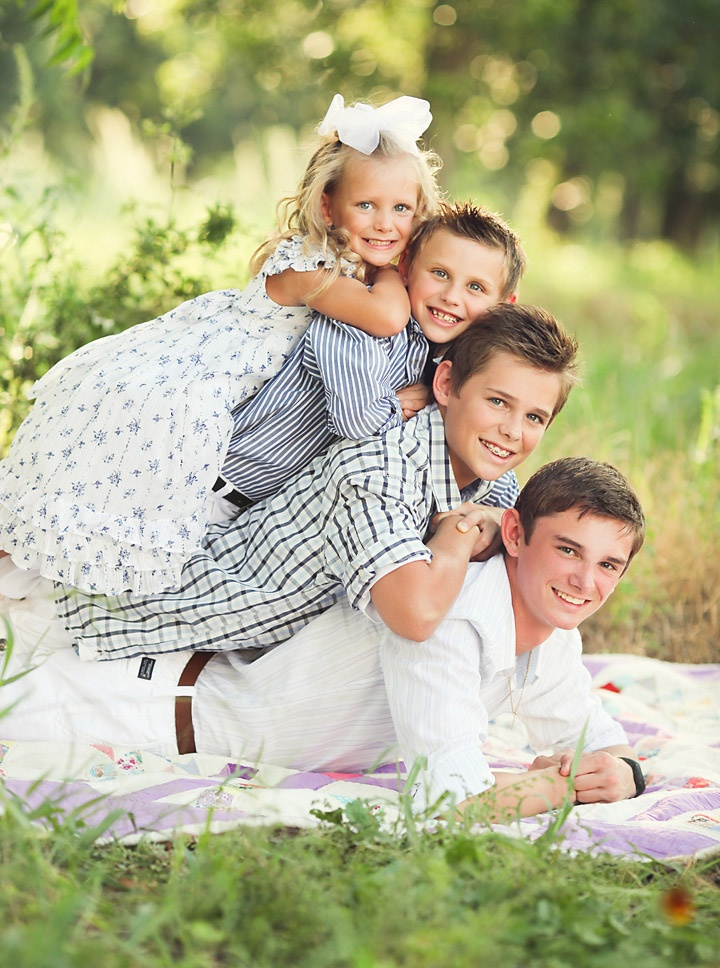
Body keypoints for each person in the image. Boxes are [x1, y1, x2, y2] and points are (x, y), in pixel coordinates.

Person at [0, 457, 647, 821]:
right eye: (568, 550)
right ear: (514, 535)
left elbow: (599, 742)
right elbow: (451, 806)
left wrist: (623, 773)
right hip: (135, 707)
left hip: (169, 695)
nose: (584, 582)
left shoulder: (549, 634)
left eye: (608, 565)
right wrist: (559, 788)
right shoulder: (446, 618)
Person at [0, 94, 440, 598]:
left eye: (401, 209)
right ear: (327, 205)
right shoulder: (310, 266)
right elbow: (387, 317)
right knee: (82, 511)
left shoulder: (347, 267)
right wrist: (395, 267)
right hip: (186, 393)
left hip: (219, 396)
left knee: (72, 533)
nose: (385, 223)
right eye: (366, 205)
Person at [52, 301, 580, 661]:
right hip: (107, 624)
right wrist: (463, 531)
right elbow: (416, 616)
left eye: (534, 417)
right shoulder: (379, 468)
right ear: (446, 384)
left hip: (220, 658)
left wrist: (493, 518)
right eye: (498, 402)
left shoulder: (492, 482)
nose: (513, 431)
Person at [212, 200, 527, 513]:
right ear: (406, 266)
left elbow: (476, 441)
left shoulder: (454, 361)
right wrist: (397, 408)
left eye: (475, 287)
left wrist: (500, 513)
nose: (451, 297)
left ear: (503, 306)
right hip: (221, 485)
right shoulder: (366, 320)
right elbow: (357, 419)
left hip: (270, 508)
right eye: (440, 273)